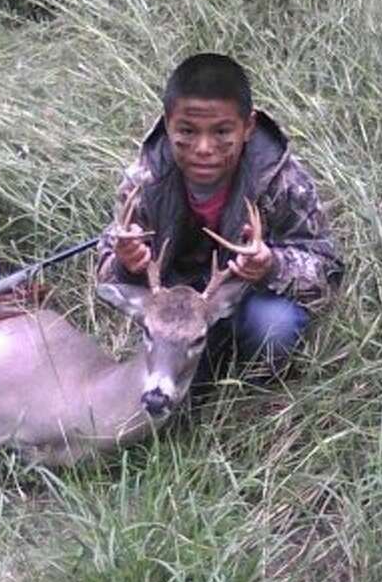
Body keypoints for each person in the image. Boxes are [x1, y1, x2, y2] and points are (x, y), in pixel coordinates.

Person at [97, 53, 342, 385]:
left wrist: (271, 265)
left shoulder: (281, 180)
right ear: (167, 123)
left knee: (276, 328)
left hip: (242, 300)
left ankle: (248, 387)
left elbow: (327, 268)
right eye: (186, 131)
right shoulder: (144, 180)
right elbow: (106, 272)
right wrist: (127, 263)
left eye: (222, 132)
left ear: (248, 127)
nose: (203, 148)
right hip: (176, 313)